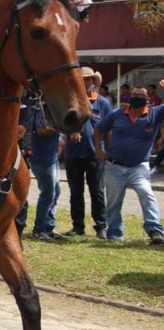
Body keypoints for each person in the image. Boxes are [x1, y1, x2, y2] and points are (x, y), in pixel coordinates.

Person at [94, 87, 164, 244]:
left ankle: (155, 230)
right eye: (134, 96)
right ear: (129, 99)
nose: (137, 98)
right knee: (113, 202)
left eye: (141, 96)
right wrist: (99, 150)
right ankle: (114, 233)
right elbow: (98, 129)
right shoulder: (117, 114)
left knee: (147, 194)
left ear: (147, 100)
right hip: (114, 166)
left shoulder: (155, 114)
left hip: (138, 167)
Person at [63, 67, 114, 239]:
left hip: (95, 154)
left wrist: (109, 151)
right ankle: (78, 226)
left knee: (97, 192)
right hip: (73, 154)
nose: (86, 82)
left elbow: (108, 130)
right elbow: (62, 124)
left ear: (93, 82)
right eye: (83, 79)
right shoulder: (69, 101)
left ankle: (101, 226)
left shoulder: (103, 103)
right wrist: (71, 131)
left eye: (89, 79)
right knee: (76, 192)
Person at [31, 108, 64, 241]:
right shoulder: (42, 111)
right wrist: (61, 128)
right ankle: (39, 229)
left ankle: (48, 227)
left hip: (51, 158)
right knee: (48, 193)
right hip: (42, 159)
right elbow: (41, 130)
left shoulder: (51, 111)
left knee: (55, 192)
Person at [14, 104, 36, 239]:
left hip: (19, 155)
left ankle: (17, 233)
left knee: (19, 197)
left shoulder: (26, 105)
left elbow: (19, 132)